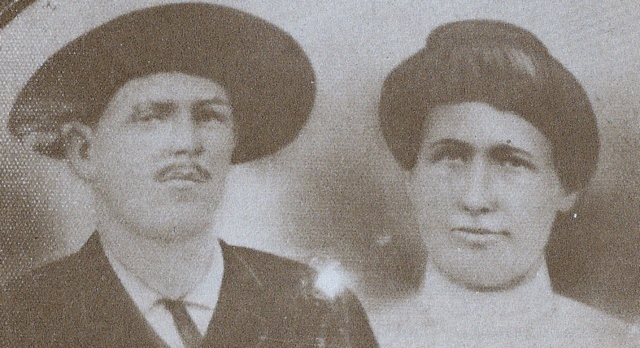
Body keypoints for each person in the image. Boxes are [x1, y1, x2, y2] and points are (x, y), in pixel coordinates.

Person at [2, 3, 378, 347]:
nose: (187, 142)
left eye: (209, 116)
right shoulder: (21, 319)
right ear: (84, 152)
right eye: (151, 117)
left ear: (233, 142)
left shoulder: (318, 311)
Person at [375, 19, 633, 347]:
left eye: (511, 162)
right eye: (450, 158)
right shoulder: (357, 339)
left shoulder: (616, 342)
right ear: (411, 179)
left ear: (566, 189)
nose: (474, 199)